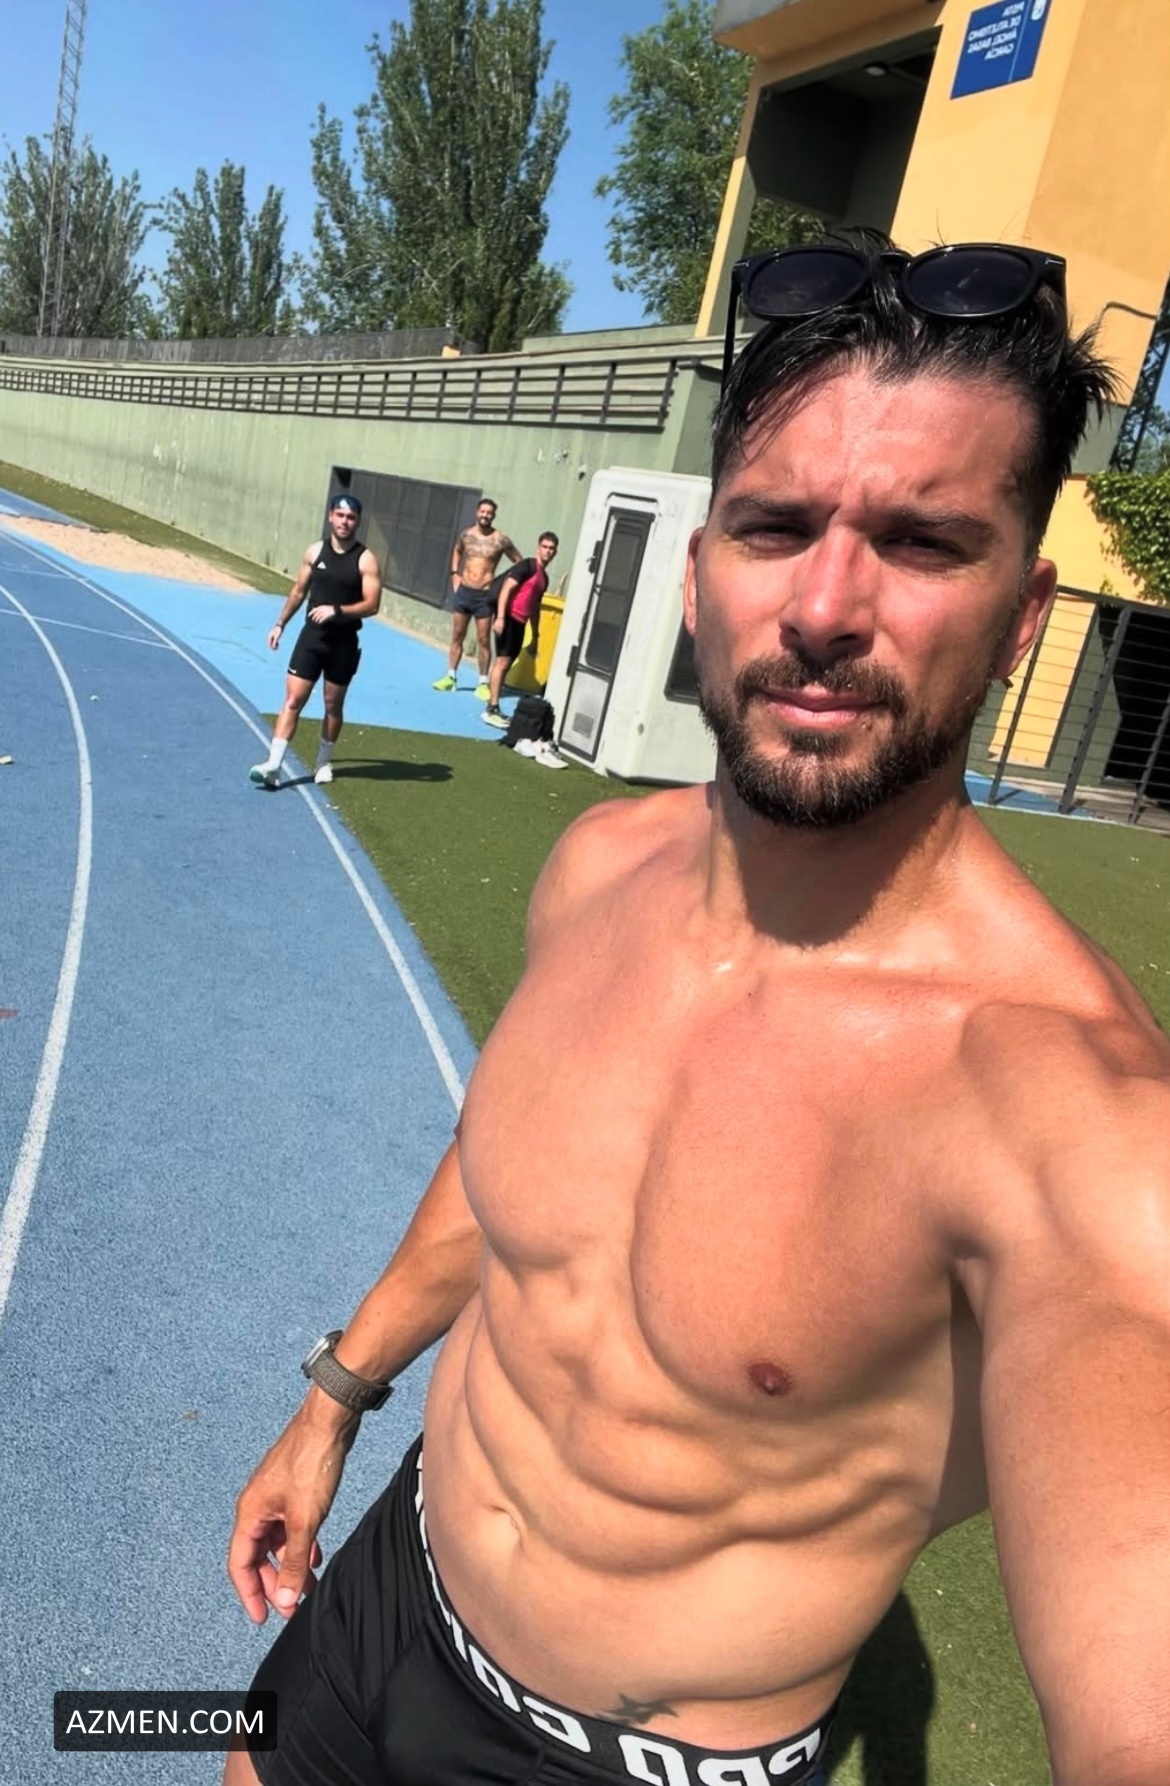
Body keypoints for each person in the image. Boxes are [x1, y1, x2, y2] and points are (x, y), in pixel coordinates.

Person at [226, 236, 1170, 1786]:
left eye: (922, 543)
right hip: (388, 1589)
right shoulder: (598, 868)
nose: (824, 604)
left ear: (1020, 612)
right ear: (696, 567)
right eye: (775, 526)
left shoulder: (1069, 1114)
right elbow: (507, 1169)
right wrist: (334, 1398)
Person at [249, 493, 382, 788]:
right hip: (312, 639)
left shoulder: (365, 559)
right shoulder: (314, 552)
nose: (345, 522)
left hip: (343, 643)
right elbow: (299, 591)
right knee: (293, 700)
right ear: (330, 516)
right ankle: (273, 765)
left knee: (332, 705)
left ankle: (323, 761)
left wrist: (337, 611)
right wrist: (280, 624)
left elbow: (372, 604)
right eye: (340, 515)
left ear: (357, 522)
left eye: (351, 518)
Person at [433, 498, 520, 697]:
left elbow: (518, 561)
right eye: (483, 511)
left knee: (483, 640)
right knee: (457, 636)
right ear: (477, 512)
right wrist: (454, 574)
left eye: (489, 513)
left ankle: (482, 683)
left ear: (494, 515)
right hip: (464, 592)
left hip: (484, 597)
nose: (485, 515)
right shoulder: (466, 535)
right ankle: (451, 677)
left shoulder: (501, 540)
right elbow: (457, 551)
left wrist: (500, 584)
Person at [481, 531, 559, 728]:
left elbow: (534, 608)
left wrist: (536, 636)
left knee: (505, 664)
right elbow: (506, 589)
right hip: (508, 619)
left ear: (555, 552)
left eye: (551, 548)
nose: (548, 551)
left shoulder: (544, 578)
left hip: (520, 624)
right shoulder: (526, 566)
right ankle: (491, 708)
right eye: (545, 547)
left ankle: (493, 705)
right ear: (538, 548)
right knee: (502, 663)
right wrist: (500, 617)